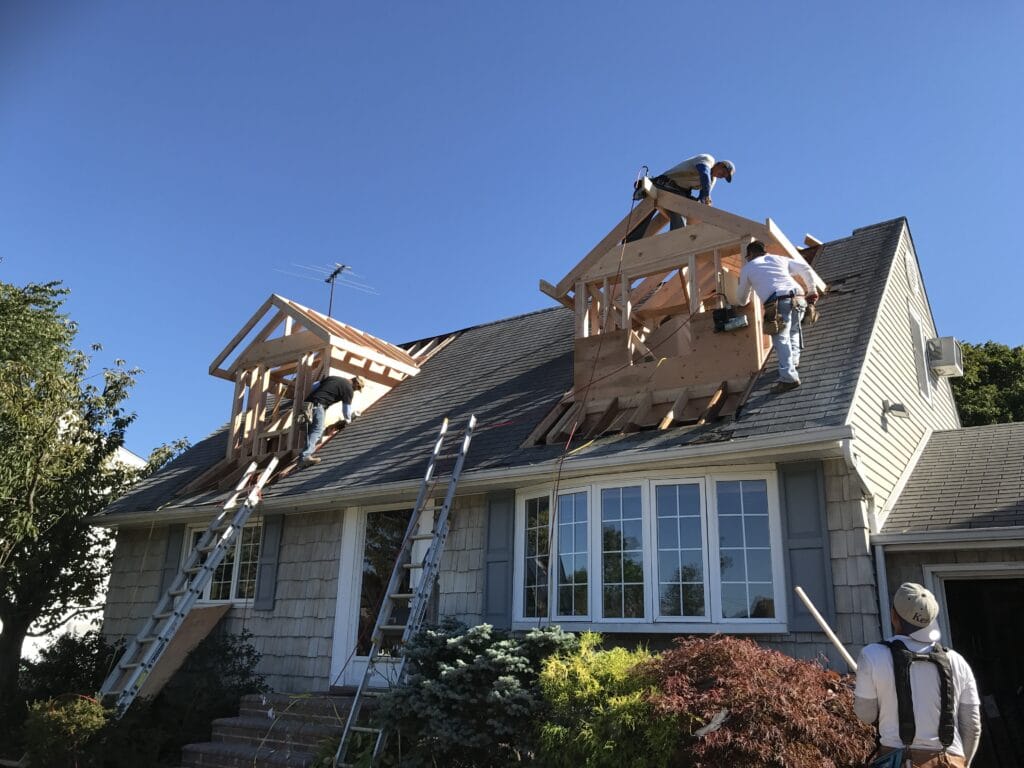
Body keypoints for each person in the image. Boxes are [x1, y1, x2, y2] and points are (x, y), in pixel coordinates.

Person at [854, 583, 981, 767]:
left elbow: (866, 714)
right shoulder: (957, 661)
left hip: (899, 760)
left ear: (893, 616)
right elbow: (972, 725)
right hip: (949, 760)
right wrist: (962, 763)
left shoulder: (873, 655)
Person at [736, 240, 818, 393]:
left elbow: (741, 299)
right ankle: (793, 361)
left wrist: (745, 299)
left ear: (751, 254)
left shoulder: (748, 267)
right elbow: (804, 267)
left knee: (780, 337)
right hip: (799, 298)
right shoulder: (779, 259)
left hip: (779, 302)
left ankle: (789, 378)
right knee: (793, 331)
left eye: (747, 257)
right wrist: (812, 290)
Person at [629, 155, 735, 236]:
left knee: (681, 214)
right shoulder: (708, 159)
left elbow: (703, 196)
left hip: (679, 193)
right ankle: (631, 240)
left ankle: (675, 243)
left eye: (724, 177)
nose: (722, 176)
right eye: (723, 173)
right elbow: (704, 173)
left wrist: (703, 204)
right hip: (664, 184)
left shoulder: (712, 180)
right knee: (648, 209)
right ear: (720, 164)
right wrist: (706, 196)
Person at [299, 374, 365, 467]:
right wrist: (349, 421)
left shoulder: (333, 378)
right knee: (317, 430)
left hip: (307, 404)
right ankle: (304, 457)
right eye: (357, 388)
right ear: (355, 383)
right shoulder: (348, 389)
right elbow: (346, 410)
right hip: (319, 405)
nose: (356, 390)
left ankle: (303, 456)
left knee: (311, 431)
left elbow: (314, 386)